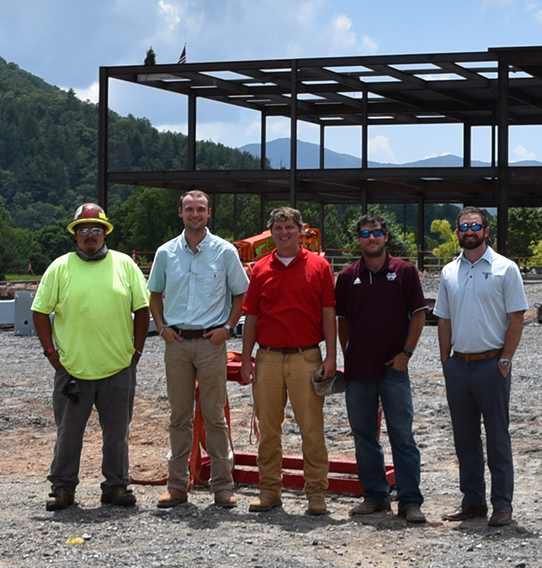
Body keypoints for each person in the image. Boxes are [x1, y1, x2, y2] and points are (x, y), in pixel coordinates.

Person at [32, 202, 150, 511]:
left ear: (105, 233)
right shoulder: (59, 267)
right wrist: (52, 355)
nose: (90, 236)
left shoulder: (125, 265)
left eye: (96, 230)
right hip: (73, 369)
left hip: (117, 366)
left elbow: (142, 310)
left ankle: (116, 485)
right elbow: (40, 311)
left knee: (117, 433)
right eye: (83, 230)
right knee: (68, 433)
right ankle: (62, 487)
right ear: (75, 235)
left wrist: (136, 352)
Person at [145, 190, 247, 509]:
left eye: (200, 209)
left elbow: (241, 293)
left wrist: (228, 328)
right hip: (176, 343)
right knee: (179, 416)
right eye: (189, 209)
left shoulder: (225, 252)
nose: (195, 214)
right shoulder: (166, 253)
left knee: (215, 416)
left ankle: (222, 486)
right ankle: (177, 485)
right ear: (180, 213)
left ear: (209, 212)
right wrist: (161, 327)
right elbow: (155, 293)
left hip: (210, 344)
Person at [239, 206, 339, 515]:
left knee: (311, 429)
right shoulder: (259, 269)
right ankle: (269, 490)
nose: (284, 232)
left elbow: (328, 313)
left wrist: (332, 356)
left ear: (300, 231)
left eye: (290, 227)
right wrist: (246, 359)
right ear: (271, 233)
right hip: (267, 357)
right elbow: (252, 316)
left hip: (306, 357)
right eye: (279, 227)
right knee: (268, 430)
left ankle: (316, 493)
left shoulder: (319, 266)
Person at [434, 206, 528, 527]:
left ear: (486, 230)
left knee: (497, 438)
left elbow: (517, 318)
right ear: (457, 232)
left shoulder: (506, 269)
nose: (469, 231)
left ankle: (502, 504)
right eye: (463, 226)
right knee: (465, 439)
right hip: (459, 367)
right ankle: (472, 501)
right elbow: (443, 320)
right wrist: (446, 361)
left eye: (475, 225)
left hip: (492, 366)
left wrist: (505, 361)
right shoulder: (449, 272)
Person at [334, 213, 429, 524]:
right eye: (365, 233)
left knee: (401, 435)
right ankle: (374, 496)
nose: (371, 238)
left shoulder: (403, 272)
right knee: (364, 436)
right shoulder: (348, 277)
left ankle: (410, 500)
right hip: (359, 370)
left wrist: (406, 354)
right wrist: (348, 355)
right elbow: (343, 320)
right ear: (359, 239)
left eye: (376, 232)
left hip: (394, 369)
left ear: (386, 236)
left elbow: (418, 315)